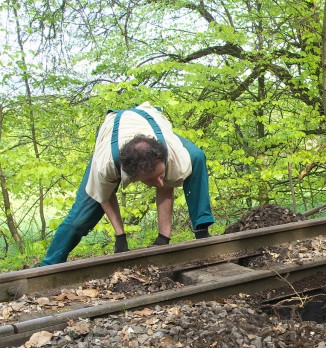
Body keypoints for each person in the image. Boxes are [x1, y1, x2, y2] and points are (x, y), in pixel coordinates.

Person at [42, 102, 215, 265]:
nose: (159, 183)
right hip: (111, 132)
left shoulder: (172, 156)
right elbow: (104, 195)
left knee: (197, 156)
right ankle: (47, 267)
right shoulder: (105, 164)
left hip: (149, 121)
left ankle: (202, 230)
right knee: (78, 220)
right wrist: (120, 236)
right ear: (132, 176)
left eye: (161, 174)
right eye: (151, 180)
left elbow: (166, 187)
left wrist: (164, 238)